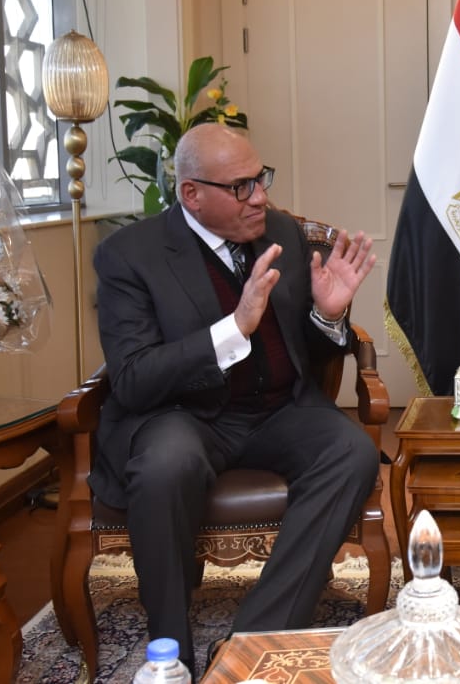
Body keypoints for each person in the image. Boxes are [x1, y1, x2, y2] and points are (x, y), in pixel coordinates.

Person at [91, 123, 379, 672]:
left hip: (277, 411)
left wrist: (330, 313)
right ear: (191, 193)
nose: (262, 197)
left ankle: (252, 645)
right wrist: (234, 329)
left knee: (352, 452)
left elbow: (310, 345)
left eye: (261, 178)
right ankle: (170, 657)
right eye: (242, 186)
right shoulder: (129, 256)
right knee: (164, 467)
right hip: (184, 416)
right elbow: (131, 377)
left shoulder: (284, 235)